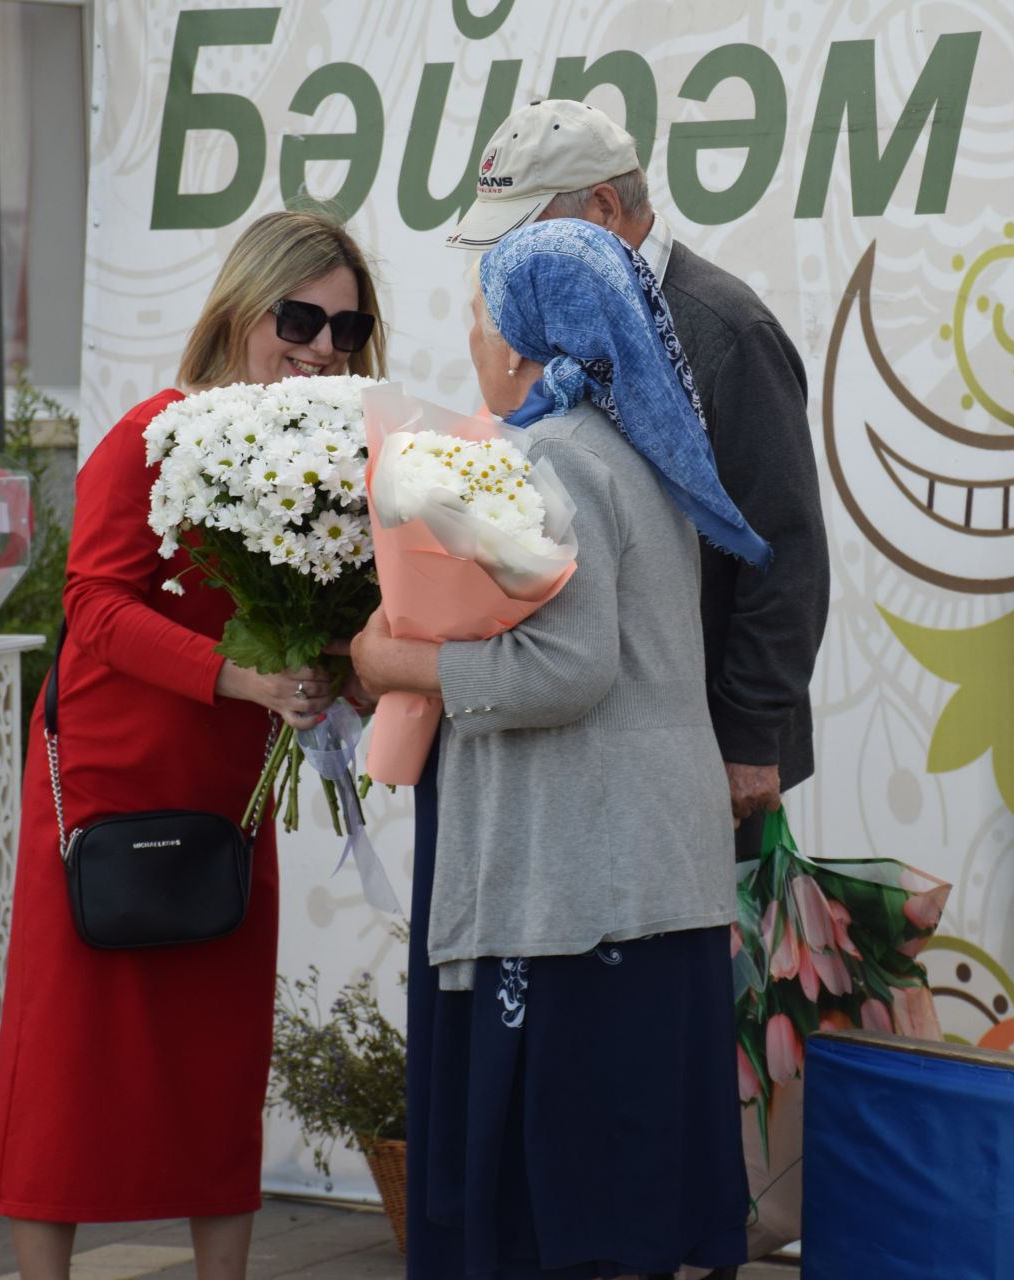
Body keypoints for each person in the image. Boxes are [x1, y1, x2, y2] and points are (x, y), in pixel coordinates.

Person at [0, 209, 387, 1280]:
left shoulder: (336, 466)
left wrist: (343, 668)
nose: (321, 345)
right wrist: (245, 676)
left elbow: (332, 615)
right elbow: (94, 607)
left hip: (229, 788)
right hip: (105, 787)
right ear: (245, 306)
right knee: (70, 1059)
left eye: (347, 327)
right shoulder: (154, 436)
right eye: (301, 315)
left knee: (217, 1058)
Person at [349, 217, 756, 1278]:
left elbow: (570, 667)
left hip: (580, 881)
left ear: (526, 344)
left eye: (481, 319)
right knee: (637, 1187)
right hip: (653, 867)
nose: (474, 342)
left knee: (573, 1209)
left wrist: (401, 667)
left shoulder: (551, 457)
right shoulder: (641, 450)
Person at [447, 98, 829, 859]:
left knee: (711, 971)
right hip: (602, 736)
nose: (511, 264)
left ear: (604, 207)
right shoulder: (556, 330)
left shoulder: (725, 330)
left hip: (709, 751)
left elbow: (785, 548)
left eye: (528, 233)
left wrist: (749, 735)